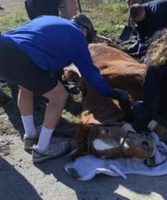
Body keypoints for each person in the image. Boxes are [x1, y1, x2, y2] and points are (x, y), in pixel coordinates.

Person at [0, 14, 130, 163]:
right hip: (22, 58)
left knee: (26, 87)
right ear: (85, 29)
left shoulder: (50, 19)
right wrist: (110, 92)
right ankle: (42, 150)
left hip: (5, 46)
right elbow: (90, 73)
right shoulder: (77, 36)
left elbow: (38, 43)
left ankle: (30, 136)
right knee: (59, 95)